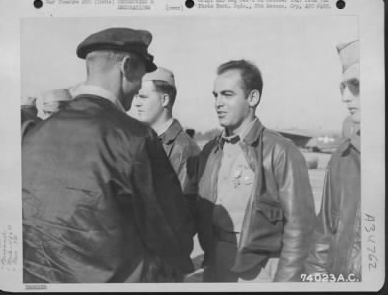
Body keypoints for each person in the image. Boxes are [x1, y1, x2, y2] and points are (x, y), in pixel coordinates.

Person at [22, 27, 194, 283]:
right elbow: (174, 236)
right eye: (140, 76)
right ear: (125, 66)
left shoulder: (34, 133)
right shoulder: (135, 138)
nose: (137, 90)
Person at [193, 60, 316, 282]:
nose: (218, 103)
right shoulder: (211, 151)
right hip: (216, 268)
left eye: (227, 94)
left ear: (252, 98)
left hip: (260, 272)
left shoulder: (280, 151)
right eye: (215, 95)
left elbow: (300, 228)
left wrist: (285, 284)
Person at [305, 40, 361, 281]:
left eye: (356, 86)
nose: (346, 98)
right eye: (343, 88)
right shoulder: (343, 158)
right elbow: (323, 236)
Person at [134, 67, 201, 204]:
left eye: (143, 97)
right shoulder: (143, 141)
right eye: (135, 96)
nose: (136, 103)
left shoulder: (184, 149)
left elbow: (178, 209)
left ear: (164, 100)